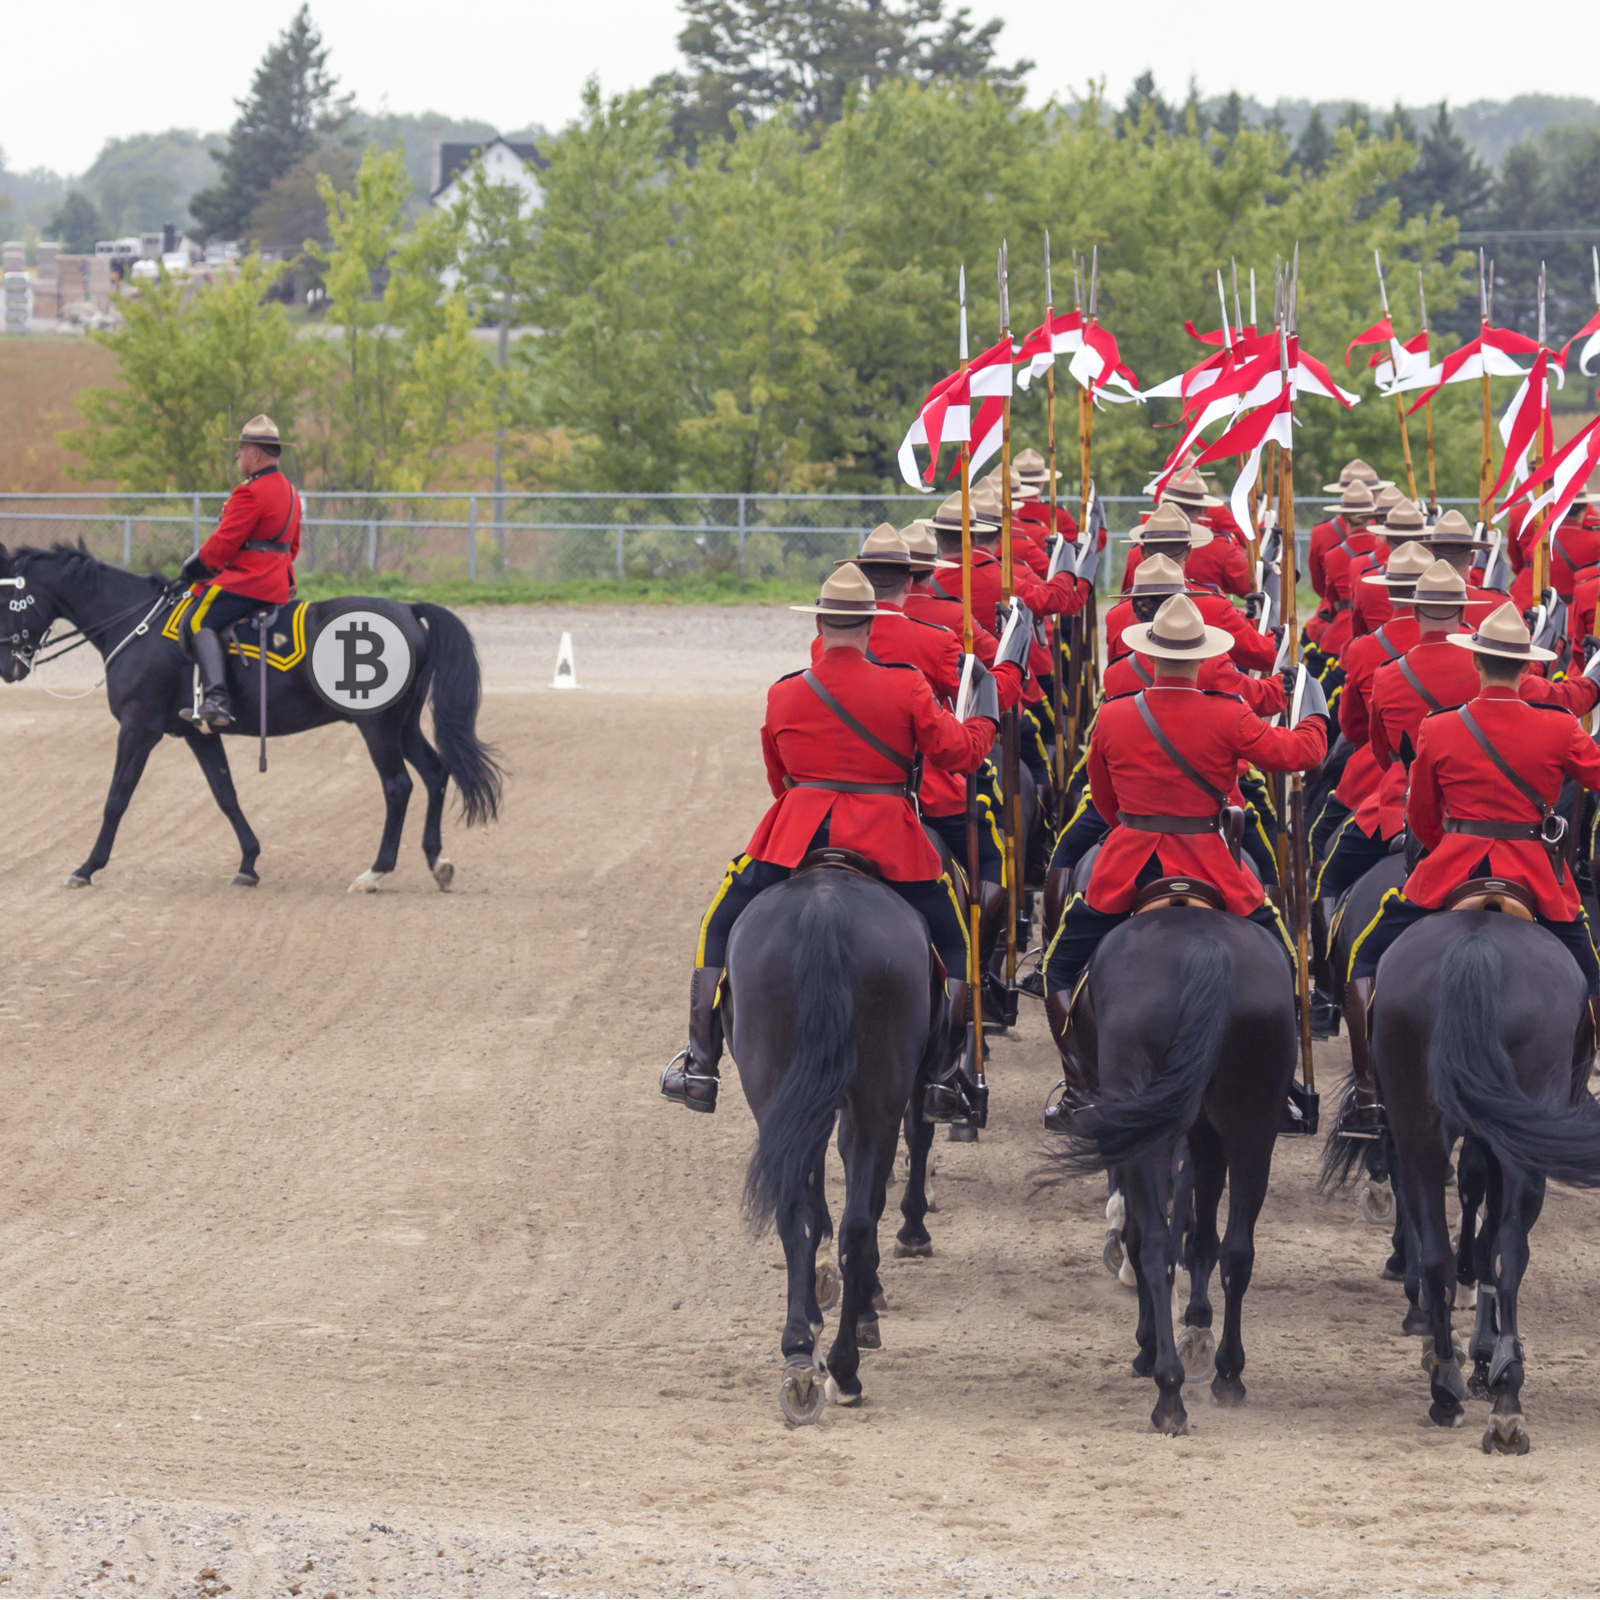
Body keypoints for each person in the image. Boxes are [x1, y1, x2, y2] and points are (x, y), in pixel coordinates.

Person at [661, 563, 1000, 1118]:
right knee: (956, 941)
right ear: (869, 626)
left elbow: (779, 780)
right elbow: (959, 755)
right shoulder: (905, 684)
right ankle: (942, 1074)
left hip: (797, 833)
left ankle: (700, 1065)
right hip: (890, 837)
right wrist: (985, 714)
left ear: (819, 625)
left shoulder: (785, 692)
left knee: (717, 924)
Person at [1041, 592, 1327, 1113]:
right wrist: (1314, 710)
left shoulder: (1113, 715)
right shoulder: (1230, 713)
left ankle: (1082, 1082)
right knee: (1283, 962)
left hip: (1129, 864)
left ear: (1149, 654)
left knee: (1058, 971)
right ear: (1201, 658)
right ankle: (1277, 1084)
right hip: (1211, 865)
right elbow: (1300, 754)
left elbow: (1106, 804)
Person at [1345, 602, 1600, 1127]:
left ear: (1477, 664)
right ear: (1527, 668)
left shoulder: (1438, 729)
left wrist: (1446, 848)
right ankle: (1578, 1087)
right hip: (1535, 877)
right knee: (1591, 974)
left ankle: (1369, 1083)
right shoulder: (1558, 727)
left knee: (1365, 956)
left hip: (1451, 870)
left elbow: (1421, 819)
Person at [177, 415, 301, 729]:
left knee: (196, 619)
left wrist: (194, 568)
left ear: (256, 455)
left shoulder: (250, 492)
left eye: (242, 449)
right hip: (277, 583)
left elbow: (223, 543)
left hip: (249, 582)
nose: (238, 455)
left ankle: (217, 698)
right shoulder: (290, 491)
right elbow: (293, 546)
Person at [1105, 503, 1280, 673]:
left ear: (1142, 552)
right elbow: (1268, 657)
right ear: (1188, 551)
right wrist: (1273, 616)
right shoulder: (1215, 607)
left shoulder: (1115, 616)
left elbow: (1116, 671)